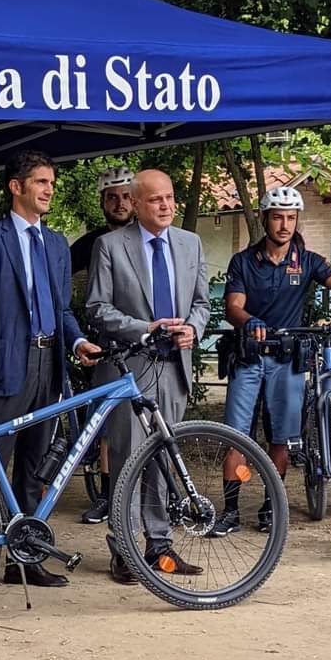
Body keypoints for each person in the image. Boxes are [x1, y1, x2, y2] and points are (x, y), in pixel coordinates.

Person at [211, 186, 331, 535]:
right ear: (266, 219)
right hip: (249, 357)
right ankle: (230, 511)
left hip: (287, 359)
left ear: (296, 221)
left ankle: (271, 507)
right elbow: (233, 306)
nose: (284, 224)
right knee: (236, 435)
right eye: (277, 217)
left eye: (290, 217)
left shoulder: (308, 260)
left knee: (281, 438)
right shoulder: (243, 261)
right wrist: (248, 320)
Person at [0, 149, 101, 593]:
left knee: (35, 468)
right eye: (41, 182)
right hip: (3, 366)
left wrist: (76, 341)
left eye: (52, 183)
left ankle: (26, 560)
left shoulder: (56, 244)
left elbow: (60, 309)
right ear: (15, 187)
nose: (49, 190)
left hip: (47, 364)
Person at [85, 169, 210, 584]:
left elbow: (202, 303)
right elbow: (97, 307)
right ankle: (123, 547)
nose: (166, 206)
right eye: (156, 199)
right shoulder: (109, 246)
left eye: (170, 198)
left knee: (163, 458)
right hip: (129, 366)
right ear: (136, 204)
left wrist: (194, 327)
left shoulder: (190, 243)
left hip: (174, 367)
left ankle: (159, 545)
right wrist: (144, 327)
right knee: (127, 460)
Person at [69, 166, 136, 525]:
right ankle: (110, 497)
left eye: (126, 196)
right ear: (102, 202)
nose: (120, 203)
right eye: (112, 197)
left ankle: (150, 496)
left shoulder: (149, 237)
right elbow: (57, 280)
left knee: (149, 419)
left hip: (146, 342)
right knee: (107, 423)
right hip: (103, 343)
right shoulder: (90, 243)